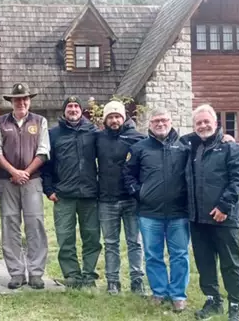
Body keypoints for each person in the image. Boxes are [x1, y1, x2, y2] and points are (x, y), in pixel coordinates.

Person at [123, 107, 191, 312]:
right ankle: (159, 291)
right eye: (156, 121)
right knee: (153, 255)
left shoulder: (184, 146)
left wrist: (225, 137)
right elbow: (128, 174)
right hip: (149, 213)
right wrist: (139, 193)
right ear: (149, 124)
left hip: (179, 213)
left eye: (164, 120)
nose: (160, 124)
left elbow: (207, 138)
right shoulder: (139, 148)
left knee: (179, 255)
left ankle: (178, 294)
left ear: (171, 121)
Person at [186, 104, 239, 321]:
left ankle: (236, 305)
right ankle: (213, 301)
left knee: (230, 263)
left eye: (206, 121)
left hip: (223, 217)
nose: (203, 126)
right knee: (205, 263)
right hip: (198, 218)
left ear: (216, 123)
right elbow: (173, 139)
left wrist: (224, 206)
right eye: (198, 123)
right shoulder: (193, 147)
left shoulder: (231, 148)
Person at [0, 83, 50, 289]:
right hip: (7, 181)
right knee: (10, 226)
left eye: (25, 99)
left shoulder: (40, 121)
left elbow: (43, 151)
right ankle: (16, 273)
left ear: (29, 101)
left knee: (35, 226)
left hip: (32, 181)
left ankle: (35, 273)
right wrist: (14, 172)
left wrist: (26, 173)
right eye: (17, 99)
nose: (21, 102)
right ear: (11, 102)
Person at [42, 96, 102, 289]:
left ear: (81, 110)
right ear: (64, 111)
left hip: (89, 195)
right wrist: (49, 190)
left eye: (76, 106)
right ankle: (72, 276)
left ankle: (89, 276)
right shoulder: (54, 134)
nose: (73, 109)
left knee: (92, 237)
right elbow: (46, 165)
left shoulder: (93, 132)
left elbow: (105, 159)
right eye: (70, 106)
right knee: (65, 238)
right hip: (63, 195)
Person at [95, 100, 147, 295]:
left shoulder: (138, 138)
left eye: (117, 116)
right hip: (106, 199)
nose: (114, 120)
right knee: (111, 243)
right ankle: (113, 281)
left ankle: (137, 280)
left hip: (131, 199)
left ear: (123, 118)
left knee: (135, 242)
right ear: (105, 120)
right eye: (110, 117)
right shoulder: (98, 138)